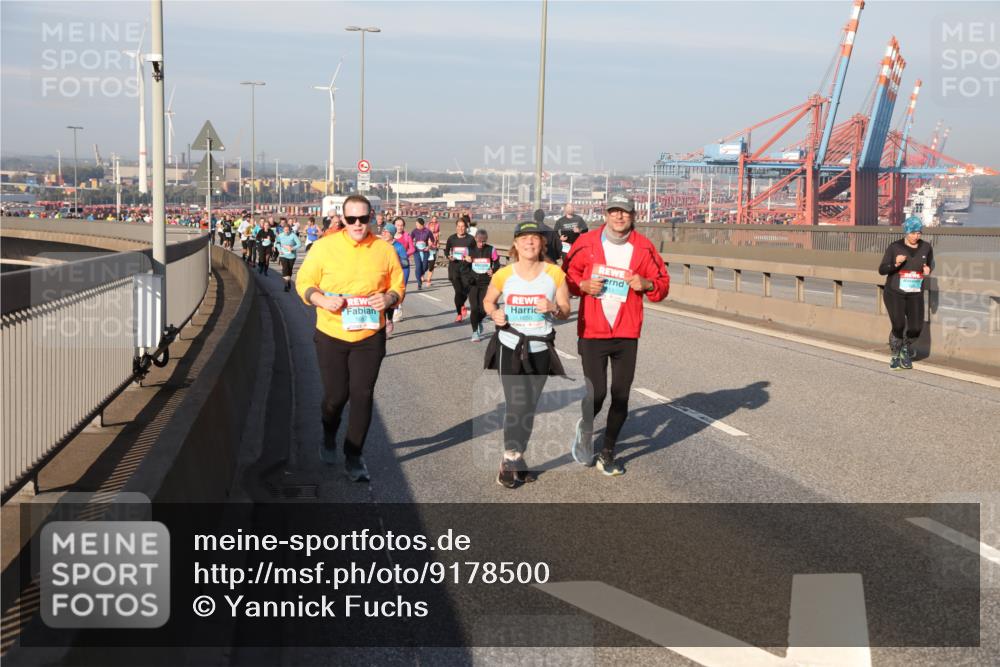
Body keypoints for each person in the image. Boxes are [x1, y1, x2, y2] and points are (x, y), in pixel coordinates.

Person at [295, 195, 405, 482]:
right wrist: (319, 299)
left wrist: (390, 297)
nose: (358, 224)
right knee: (335, 397)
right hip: (332, 333)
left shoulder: (383, 249)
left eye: (364, 218)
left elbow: (397, 284)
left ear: (372, 218)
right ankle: (328, 435)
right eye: (352, 219)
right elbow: (304, 282)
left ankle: (354, 456)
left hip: (370, 335)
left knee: (362, 395)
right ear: (342, 219)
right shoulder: (324, 247)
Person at [563, 194, 670, 476]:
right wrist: (582, 285)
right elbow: (567, 277)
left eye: (625, 212)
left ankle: (607, 452)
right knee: (596, 393)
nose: (619, 217)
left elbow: (662, 285)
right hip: (592, 331)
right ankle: (585, 429)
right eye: (614, 212)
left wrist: (645, 283)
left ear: (633, 215)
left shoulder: (644, 248)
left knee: (621, 396)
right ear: (606, 214)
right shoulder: (586, 243)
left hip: (626, 332)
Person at [482, 221, 571, 488]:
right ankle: (509, 459)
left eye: (535, 238)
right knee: (516, 404)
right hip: (510, 345)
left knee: (529, 407)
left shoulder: (555, 274)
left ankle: (517, 457)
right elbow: (488, 300)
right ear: (516, 244)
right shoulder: (504, 274)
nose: (530, 243)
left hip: (540, 347)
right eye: (524, 238)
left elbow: (566, 309)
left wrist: (554, 307)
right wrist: (494, 313)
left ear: (542, 244)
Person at [878, 216, 933, 370]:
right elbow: (882, 270)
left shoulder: (926, 247)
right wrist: (896, 263)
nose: (917, 236)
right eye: (914, 232)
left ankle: (905, 348)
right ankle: (896, 355)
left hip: (915, 293)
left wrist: (928, 270)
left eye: (919, 232)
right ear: (907, 232)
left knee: (916, 327)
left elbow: (929, 264)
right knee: (899, 324)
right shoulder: (895, 247)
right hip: (895, 293)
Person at [465, 228, 501, 342]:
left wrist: (493, 270)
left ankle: (479, 321)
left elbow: (497, 263)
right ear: (475, 238)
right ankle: (475, 332)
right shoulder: (469, 250)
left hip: (486, 283)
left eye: (484, 241)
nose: (481, 243)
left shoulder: (491, 250)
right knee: (475, 308)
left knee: (484, 308)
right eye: (479, 241)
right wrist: (466, 261)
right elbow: (462, 268)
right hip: (473, 283)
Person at [444, 218, 476, 322]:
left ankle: (461, 305)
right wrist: (449, 256)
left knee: (465, 291)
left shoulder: (471, 239)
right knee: (458, 292)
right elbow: (447, 251)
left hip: (467, 270)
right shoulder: (451, 239)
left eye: (463, 226)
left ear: (466, 227)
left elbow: (476, 252)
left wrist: (471, 258)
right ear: (456, 227)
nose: (461, 228)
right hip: (454, 269)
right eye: (459, 226)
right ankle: (459, 314)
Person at [380, 222, 409, 334]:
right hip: (381, 277)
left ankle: (389, 320)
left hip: (392, 278)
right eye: (383, 231)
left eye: (386, 232)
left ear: (392, 234)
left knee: (389, 302)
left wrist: (403, 281)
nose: (384, 233)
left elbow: (405, 264)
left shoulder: (398, 247)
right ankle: (382, 325)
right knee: (381, 302)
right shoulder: (379, 245)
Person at [276, 220, 302, 292]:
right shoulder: (280, 235)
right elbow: (277, 243)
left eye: (288, 230)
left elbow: (299, 244)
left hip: (291, 255)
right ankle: (286, 284)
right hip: (283, 255)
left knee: (290, 270)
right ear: (283, 230)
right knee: (285, 268)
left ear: (290, 230)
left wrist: (292, 248)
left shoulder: (293, 235)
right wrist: (279, 250)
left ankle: (288, 280)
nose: (286, 231)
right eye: (285, 230)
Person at [411, 218, 434, 291]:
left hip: (425, 251)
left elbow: (432, 240)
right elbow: (410, 240)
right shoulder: (414, 231)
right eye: (416, 224)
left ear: (422, 224)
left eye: (417, 224)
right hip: (417, 251)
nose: (416, 225)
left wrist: (429, 246)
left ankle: (419, 274)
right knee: (418, 267)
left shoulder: (427, 231)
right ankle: (419, 283)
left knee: (424, 267)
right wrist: (413, 246)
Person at [425, 215, 441, 286]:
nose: (433, 228)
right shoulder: (426, 230)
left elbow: (438, 239)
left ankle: (428, 280)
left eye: (436, 219)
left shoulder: (437, 231)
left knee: (431, 265)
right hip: (426, 249)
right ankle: (421, 275)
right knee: (424, 265)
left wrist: (438, 243)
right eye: (433, 218)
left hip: (433, 249)